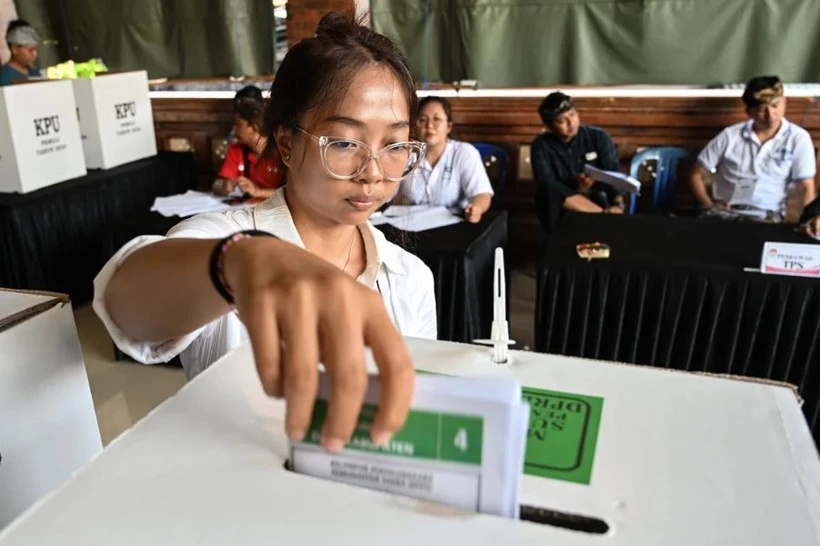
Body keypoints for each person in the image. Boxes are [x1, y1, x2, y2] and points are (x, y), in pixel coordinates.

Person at [93, 13, 436, 453]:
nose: (372, 173)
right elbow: (126, 306)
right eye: (346, 143)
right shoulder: (228, 241)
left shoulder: (411, 278)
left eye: (394, 145)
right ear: (288, 144)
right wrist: (235, 263)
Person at [689, 76, 816, 222]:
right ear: (749, 111)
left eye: (775, 105)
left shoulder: (798, 138)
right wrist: (709, 205)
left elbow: (806, 186)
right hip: (727, 213)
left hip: (768, 217)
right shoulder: (730, 136)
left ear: (784, 102)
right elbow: (696, 174)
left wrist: (808, 221)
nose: (770, 115)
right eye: (762, 110)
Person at [531, 92, 625, 233]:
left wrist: (618, 204)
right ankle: (602, 216)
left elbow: (614, 175)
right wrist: (576, 184)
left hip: (598, 198)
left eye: (573, 115)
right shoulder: (541, 145)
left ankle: (604, 216)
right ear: (549, 127)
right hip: (560, 206)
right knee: (549, 190)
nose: (571, 123)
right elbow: (546, 182)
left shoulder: (598, 136)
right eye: (561, 121)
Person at [395, 96, 493, 223]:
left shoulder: (464, 153)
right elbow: (388, 195)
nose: (429, 125)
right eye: (423, 120)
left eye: (437, 119)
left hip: (452, 226)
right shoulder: (406, 154)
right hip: (410, 226)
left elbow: (481, 194)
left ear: (449, 126)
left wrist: (476, 208)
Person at [212, 97, 284, 199]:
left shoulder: (282, 150)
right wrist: (225, 186)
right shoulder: (236, 150)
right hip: (244, 210)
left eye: (238, 125)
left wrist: (258, 192)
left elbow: (293, 194)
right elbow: (216, 185)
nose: (234, 129)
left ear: (255, 126)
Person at [1, 20, 42, 86]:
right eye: (30, 50)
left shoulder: (35, 73)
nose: (35, 54)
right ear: (15, 49)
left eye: (36, 49)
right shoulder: (4, 78)